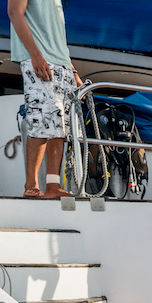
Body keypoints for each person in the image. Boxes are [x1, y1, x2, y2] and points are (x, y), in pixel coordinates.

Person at [8, 0, 83, 198]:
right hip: (39, 59)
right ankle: (31, 185)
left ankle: (52, 185)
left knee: (60, 127)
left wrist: (72, 71)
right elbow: (15, 12)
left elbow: (57, 40)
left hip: (61, 64)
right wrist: (36, 55)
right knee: (40, 120)